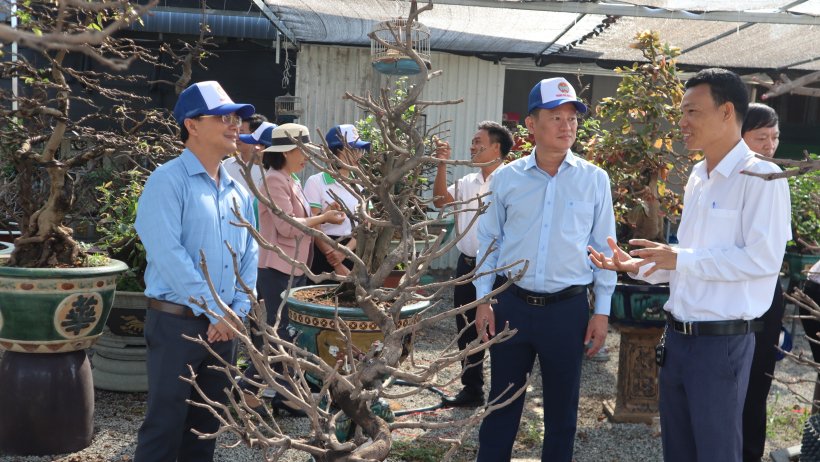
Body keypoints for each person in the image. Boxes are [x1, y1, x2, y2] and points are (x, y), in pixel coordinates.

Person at [589, 68, 792, 462]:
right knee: (678, 451)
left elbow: (762, 259)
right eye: (682, 112)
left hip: (721, 343)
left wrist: (680, 257)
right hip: (678, 339)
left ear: (727, 112)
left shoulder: (762, 176)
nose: (682, 122)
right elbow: (689, 259)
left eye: (692, 111)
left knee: (716, 452)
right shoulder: (699, 175)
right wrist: (637, 267)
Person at [473, 77, 617, 461]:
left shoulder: (594, 180)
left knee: (562, 413)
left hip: (567, 311)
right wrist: (483, 300)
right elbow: (490, 242)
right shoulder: (506, 179)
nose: (567, 126)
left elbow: (605, 250)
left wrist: (601, 312)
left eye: (572, 118)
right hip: (511, 305)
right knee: (501, 405)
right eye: (556, 117)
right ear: (531, 124)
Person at [133, 80, 259, 461]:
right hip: (177, 326)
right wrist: (216, 310)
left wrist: (236, 312)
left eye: (236, 117)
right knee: (163, 429)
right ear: (192, 125)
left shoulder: (239, 192)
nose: (234, 125)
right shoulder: (167, 181)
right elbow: (168, 255)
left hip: (225, 330)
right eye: (222, 117)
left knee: (206, 432)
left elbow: (250, 254)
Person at [240, 123, 345, 416]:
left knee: (288, 332)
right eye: (303, 150)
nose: (306, 156)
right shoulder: (275, 180)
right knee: (280, 334)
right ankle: (248, 388)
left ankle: (285, 394)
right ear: (286, 152)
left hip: (292, 266)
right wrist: (323, 217)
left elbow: (300, 220)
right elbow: (287, 226)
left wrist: (323, 215)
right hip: (276, 267)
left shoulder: (291, 179)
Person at [432, 121, 513, 408]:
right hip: (468, 266)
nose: (472, 146)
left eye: (479, 142)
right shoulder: (468, 182)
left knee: (501, 329)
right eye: (473, 141)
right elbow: (440, 201)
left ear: (496, 148)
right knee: (467, 328)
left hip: (500, 269)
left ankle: (504, 392)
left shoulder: (512, 180)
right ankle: (472, 389)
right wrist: (442, 164)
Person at [741, 102, 787, 462]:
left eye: (775, 137)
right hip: (734, 294)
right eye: (761, 137)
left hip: (765, 291)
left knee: (756, 386)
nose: (770, 145)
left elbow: (770, 251)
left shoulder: (773, 178)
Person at [303, 124, 369, 279]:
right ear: (338, 151)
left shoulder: (361, 183)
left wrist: (346, 251)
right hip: (324, 252)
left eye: (360, 149)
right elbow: (314, 225)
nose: (359, 154)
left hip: (354, 249)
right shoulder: (316, 182)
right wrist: (336, 262)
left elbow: (367, 222)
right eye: (353, 149)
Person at [224, 113, 271, 191]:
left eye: (241, 133)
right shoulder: (225, 165)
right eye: (236, 132)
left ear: (256, 135)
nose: (236, 137)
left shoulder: (268, 168)